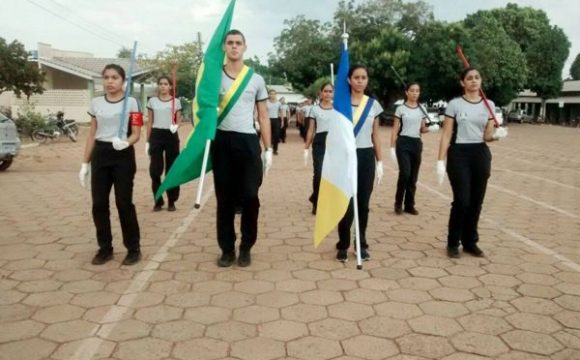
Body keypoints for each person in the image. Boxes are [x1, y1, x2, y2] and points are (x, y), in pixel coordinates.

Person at [211, 29, 272, 268]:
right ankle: (227, 249)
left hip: (247, 142)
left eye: (238, 43)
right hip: (222, 142)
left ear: (245, 47)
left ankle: (246, 246)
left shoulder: (255, 79)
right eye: (230, 43)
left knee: (250, 196)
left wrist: (268, 148)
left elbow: (264, 116)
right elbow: (201, 108)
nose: (234, 47)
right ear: (224, 47)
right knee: (224, 199)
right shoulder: (214, 77)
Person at [437, 67, 508, 258]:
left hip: (480, 154)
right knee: (462, 200)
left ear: (481, 81)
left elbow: (487, 135)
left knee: (476, 201)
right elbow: (446, 134)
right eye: (469, 78)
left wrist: (497, 136)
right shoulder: (454, 105)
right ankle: (453, 242)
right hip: (459, 153)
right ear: (462, 83)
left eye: (477, 77)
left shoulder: (489, 105)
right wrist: (440, 160)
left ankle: (470, 242)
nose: (473, 81)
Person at [78, 64, 143, 265]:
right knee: (98, 204)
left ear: (123, 81)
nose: (110, 81)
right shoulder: (96, 103)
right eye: (106, 77)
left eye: (114, 77)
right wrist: (84, 163)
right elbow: (91, 134)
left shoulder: (131, 102)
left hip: (122, 154)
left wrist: (126, 142)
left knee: (123, 203)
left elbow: (136, 133)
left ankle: (133, 248)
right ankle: (105, 248)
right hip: (101, 153)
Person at [336, 64, 384, 262]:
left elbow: (376, 135)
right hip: (346, 156)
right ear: (349, 80)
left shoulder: (373, 105)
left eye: (363, 77)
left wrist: (379, 160)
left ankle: (360, 243)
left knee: (363, 204)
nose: (360, 81)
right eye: (356, 77)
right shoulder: (341, 103)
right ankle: (343, 244)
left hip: (365, 156)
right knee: (346, 203)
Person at [389, 82, 438, 215]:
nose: (415, 93)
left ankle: (409, 205)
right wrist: (392, 147)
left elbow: (422, 128)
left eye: (417, 91)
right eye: (412, 90)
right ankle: (398, 203)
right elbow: (395, 130)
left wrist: (431, 129)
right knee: (405, 173)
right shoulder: (400, 109)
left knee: (413, 176)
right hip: (403, 142)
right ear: (406, 92)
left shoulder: (422, 109)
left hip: (416, 143)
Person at [146, 76, 182, 212]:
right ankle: (158, 200)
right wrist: (147, 141)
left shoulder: (176, 102)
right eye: (160, 84)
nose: (163, 86)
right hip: (156, 135)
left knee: (171, 170)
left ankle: (172, 201)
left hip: (171, 135)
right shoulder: (152, 101)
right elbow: (149, 121)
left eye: (166, 84)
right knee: (155, 171)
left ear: (170, 87)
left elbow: (178, 120)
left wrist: (175, 126)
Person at [304, 82, 334, 215]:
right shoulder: (314, 109)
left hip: (334, 143)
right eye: (325, 91)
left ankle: (326, 201)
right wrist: (306, 147)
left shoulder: (338, 109)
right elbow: (311, 129)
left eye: (330, 91)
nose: (328, 94)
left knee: (331, 175)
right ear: (321, 93)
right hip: (320, 143)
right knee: (319, 174)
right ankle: (316, 202)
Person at [266, 89, 282, 155]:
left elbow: (281, 112)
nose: (272, 95)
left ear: (276, 95)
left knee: (276, 135)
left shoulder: (279, 103)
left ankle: (275, 149)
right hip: (268, 120)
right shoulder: (266, 102)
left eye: (273, 94)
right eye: (271, 94)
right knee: (268, 135)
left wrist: (282, 121)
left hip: (276, 120)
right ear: (269, 95)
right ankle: (268, 148)